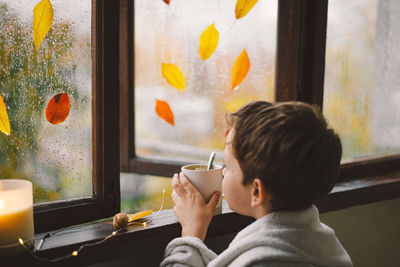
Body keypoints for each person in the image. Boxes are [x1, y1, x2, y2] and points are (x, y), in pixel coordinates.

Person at [161, 101, 353, 267]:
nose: (223, 173)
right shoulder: (324, 245)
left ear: (257, 191)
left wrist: (191, 235)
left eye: (228, 166)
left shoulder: (265, 262)